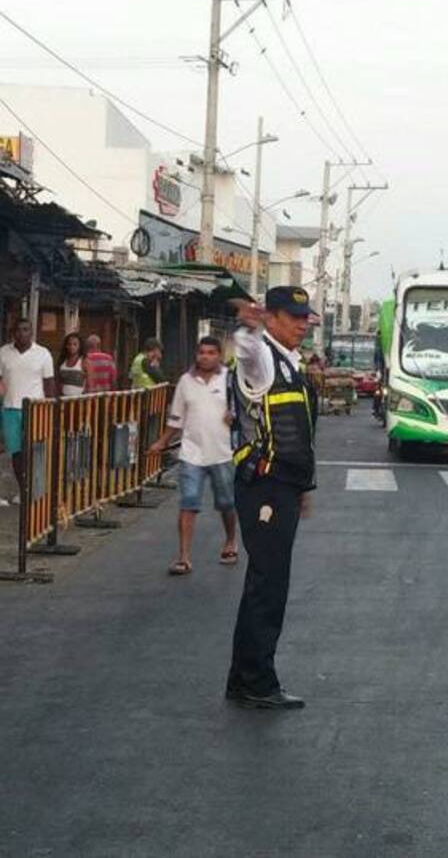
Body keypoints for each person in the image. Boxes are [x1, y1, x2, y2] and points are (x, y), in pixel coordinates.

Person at [225, 287, 319, 711]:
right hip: (263, 486)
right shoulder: (262, 356)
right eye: (294, 317)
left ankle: (245, 677)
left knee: (266, 581)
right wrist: (248, 325)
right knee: (268, 584)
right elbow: (245, 352)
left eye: (305, 317)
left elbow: (296, 434)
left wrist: (302, 489)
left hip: (281, 486)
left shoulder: (288, 363)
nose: (302, 324)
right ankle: (256, 681)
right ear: (272, 317)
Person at [149, 336, 239, 576]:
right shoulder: (185, 381)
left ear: (219, 355)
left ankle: (230, 541)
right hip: (191, 453)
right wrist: (162, 442)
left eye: (211, 352)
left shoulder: (230, 379)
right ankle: (184, 557)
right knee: (188, 502)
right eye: (201, 352)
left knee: (227, 503)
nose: (205, 356)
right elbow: (176, 418)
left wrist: (235, 417)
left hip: (223, 452)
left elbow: (245, 409)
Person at [0, 319, 56, 501]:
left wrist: (52, 408)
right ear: (12, 332)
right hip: (10, 409)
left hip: (36, 409)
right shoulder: (3, 353)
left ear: (31, 332)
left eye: (26, 330)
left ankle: (37, 489)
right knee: (16, 452)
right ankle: (24, 490)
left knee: (35, 449)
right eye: (18, 330)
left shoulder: (43, 354)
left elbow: (49, 384)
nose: (22, 333)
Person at [57, 332, 87, 397]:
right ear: (66, 346)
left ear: (80, 346)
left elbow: (90, 384)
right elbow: (58, 382)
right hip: (63, 398)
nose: (71, 347)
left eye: (75, 344)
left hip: (79, 400)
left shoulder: (84, 361)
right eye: (69, 344)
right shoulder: (62, 361)